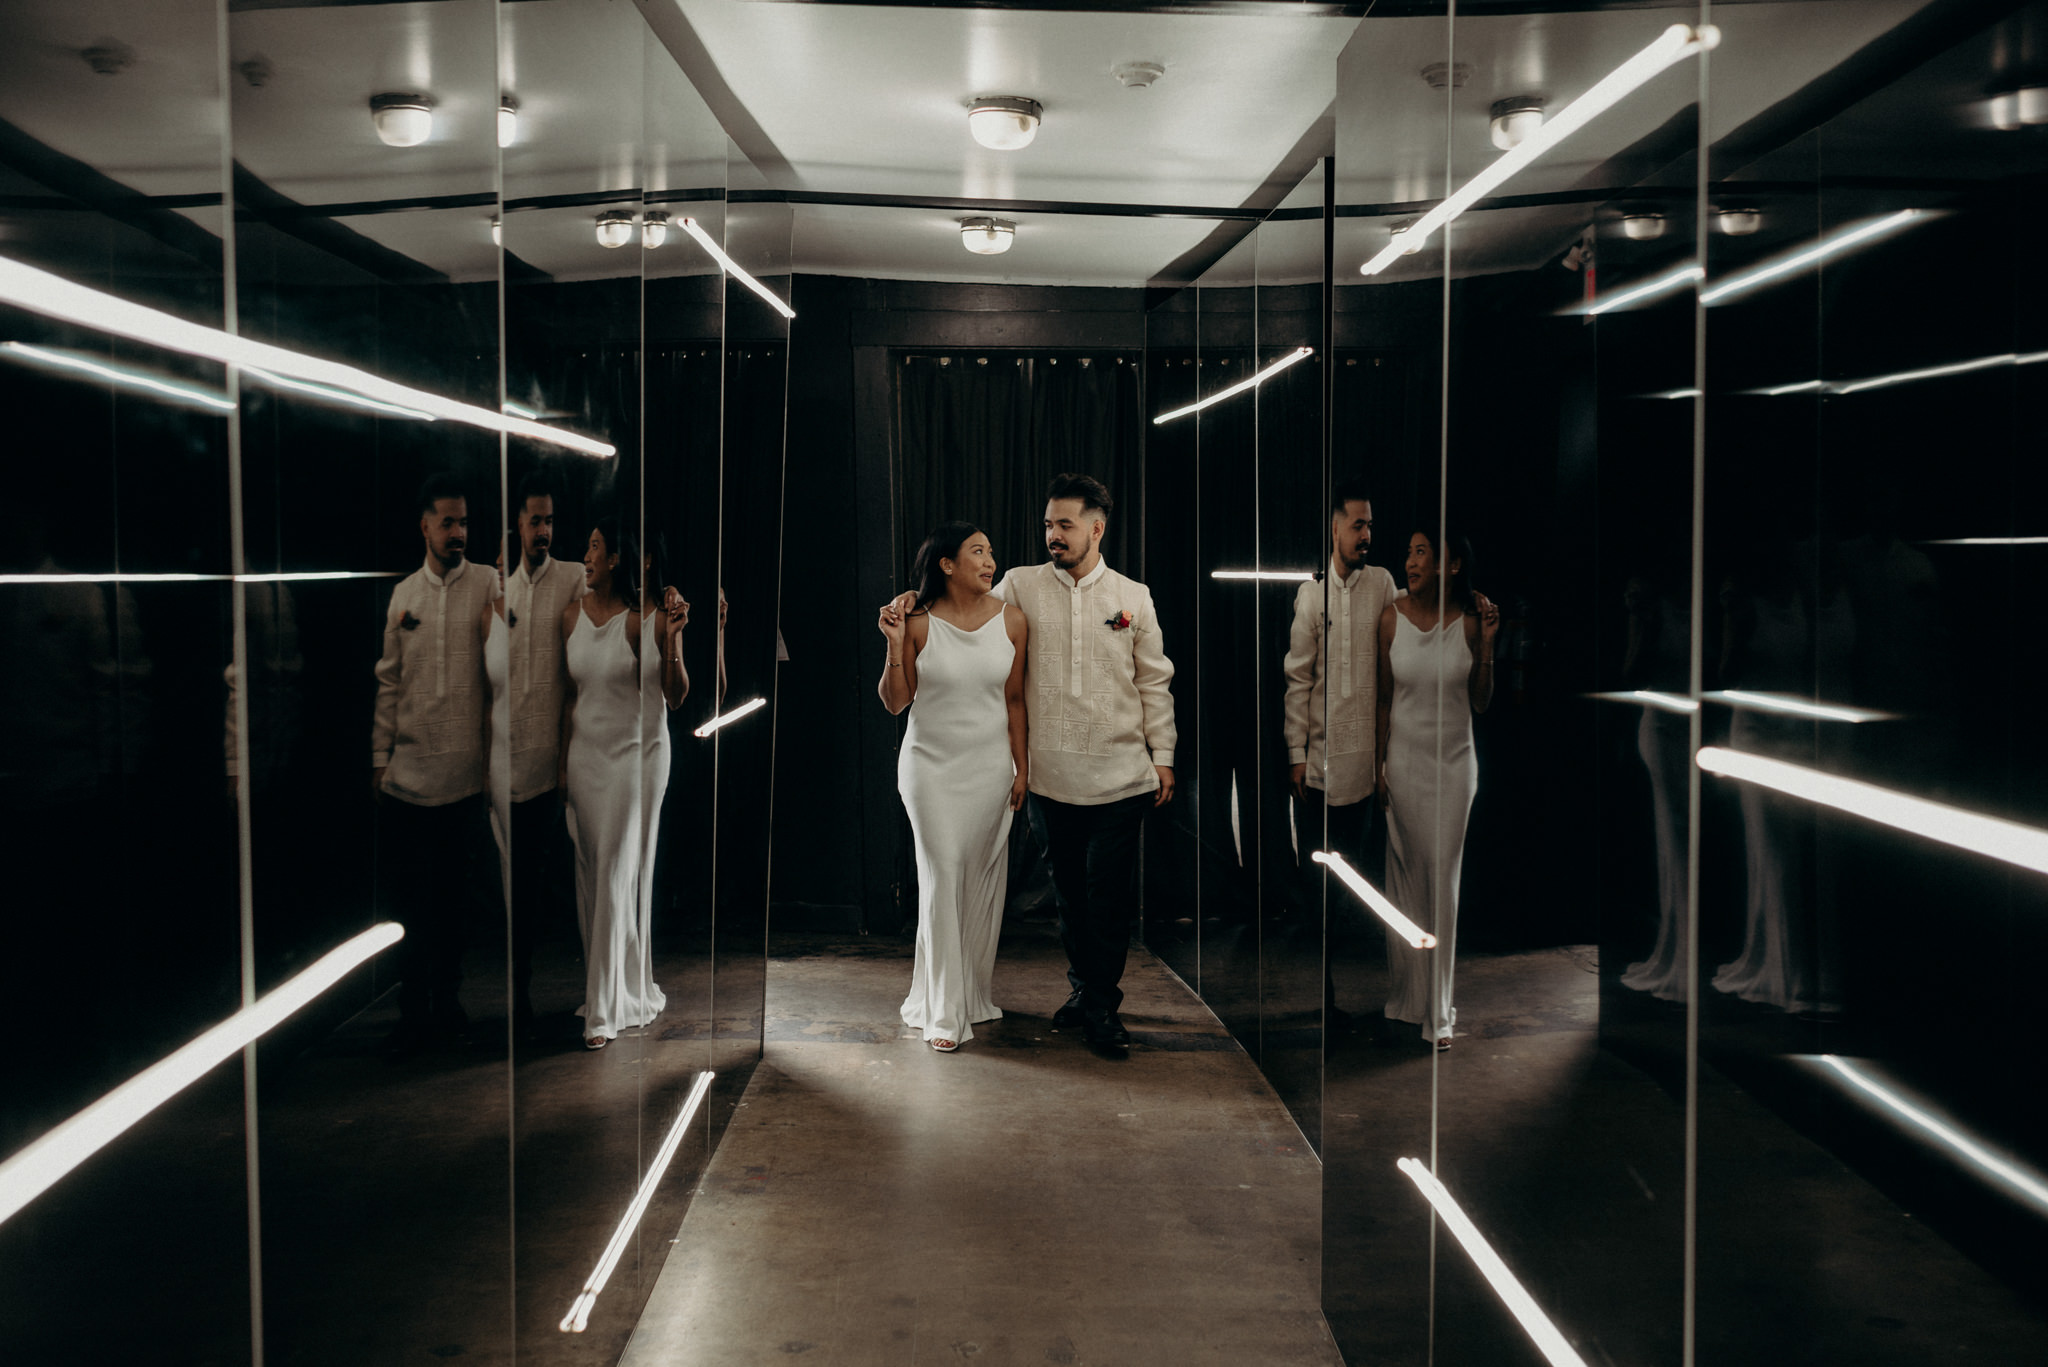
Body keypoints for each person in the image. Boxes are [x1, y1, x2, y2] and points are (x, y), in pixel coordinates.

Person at [890, 473, 1177, 1050]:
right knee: (1069, 895)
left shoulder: (1133, 596)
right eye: (1048, 524)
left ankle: (1102, 1005)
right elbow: (959, 612)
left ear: (1096, 528)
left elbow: (1154, 682)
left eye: (1064, 525)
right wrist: (908, 603)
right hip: (1049, 776)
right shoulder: (1019, 587)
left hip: (1122, 775)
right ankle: (1081, 988)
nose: (1052, 535)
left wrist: (1162, 756)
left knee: (1107, 897)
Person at [876, 522, 1029, 1052]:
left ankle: (965, 994)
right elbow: (896, 702)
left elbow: (1014, 701)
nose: (990, 561)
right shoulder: (915, 622)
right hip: (929, 769)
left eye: (991, 552)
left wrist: (1022, 769)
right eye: (978, 552)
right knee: (941, 877)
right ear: (946, 564)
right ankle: (944, 1013)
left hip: (990, 770)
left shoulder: (1012, 621)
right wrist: (895, 646)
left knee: (976, 883)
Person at [371, 473, 498, 1055]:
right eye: (447, 521)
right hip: (407, 780)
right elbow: (389, 682)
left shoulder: (488, 585)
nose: (458, 533)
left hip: (465, 778)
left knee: (454, 907)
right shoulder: (404, 596)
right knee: (409, 909)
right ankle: (411, 1010)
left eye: (464, 521)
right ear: (425, 526)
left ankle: (447, 1003)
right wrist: (380, 758)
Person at [559, 520, 689, 1049]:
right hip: (584, 759)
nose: (584, 555)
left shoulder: (651, 619)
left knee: (616, 871)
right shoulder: (570, 616)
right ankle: (617, 989)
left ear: (616, 559)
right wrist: (561, 767)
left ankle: (604, 1015)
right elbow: (568, 699)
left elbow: (676, 697)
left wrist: (677, 641)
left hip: (638, 758)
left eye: (593, 547)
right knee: (593, 875)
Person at [1375, 527, 1498, 1050]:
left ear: (1450, 566)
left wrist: (1488, 645)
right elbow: (1383, 698)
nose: (1410, 561)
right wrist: (1377, 765)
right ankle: (1409, 998)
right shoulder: (1390, 617)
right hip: (1402, 764)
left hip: (1453, 766)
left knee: (1441, 883)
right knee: (1404, 880)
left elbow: (1483, 702)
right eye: (1409, 552)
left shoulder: (1472, 622)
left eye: (1421, 552)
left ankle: (1438, 1014)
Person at [1285, 481, 1400, 955]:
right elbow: (1298, 679)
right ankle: (1320, 959)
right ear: (1335, 530)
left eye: (1370, 525)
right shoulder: (1311, 596)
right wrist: (1296, 753)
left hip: (1368, 760)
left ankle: (1347, 951)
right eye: (1358, 525)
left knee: (1356, 865)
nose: (1366, 534)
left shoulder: (1384, 585)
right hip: (1319, 761)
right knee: (1319, 870)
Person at [500, 476, 586, 1034]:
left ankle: (590, 992)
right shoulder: (498, 590)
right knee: (514, 890)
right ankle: (516, 995)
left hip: (560, 761)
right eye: (535, 521)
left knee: (559, 885)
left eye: (550, 520)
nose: (544, 531)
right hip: (505, 765)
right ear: (518, 526)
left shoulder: (574, 581)